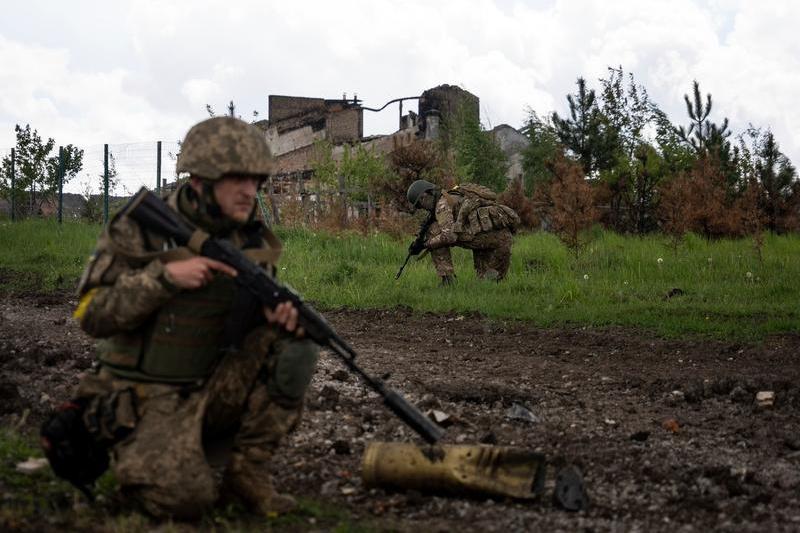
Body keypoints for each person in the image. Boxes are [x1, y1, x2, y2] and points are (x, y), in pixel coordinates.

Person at [70, 117, 319, 519]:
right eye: (237, 179)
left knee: (298, 342)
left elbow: (246, 326)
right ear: (201, 181)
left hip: (207, 384)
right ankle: (133, 457)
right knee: (186, 502)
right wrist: (164, 277)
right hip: (142, 395)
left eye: (255, 180)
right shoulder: (140, 228)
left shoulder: (248, 238)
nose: (249, 191)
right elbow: (91, 314)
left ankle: (246, 474)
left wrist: (276, 314)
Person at [406, 179, 519, 285]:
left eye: (419, 205)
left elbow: (450, 236)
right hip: (499, 239)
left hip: (489, 240)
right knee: (489, 284)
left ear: (424, 196)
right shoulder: (454, 195)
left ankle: (448, 280)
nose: (422, 208)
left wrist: (425, 244)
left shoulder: (442, 204)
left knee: (433, 231)